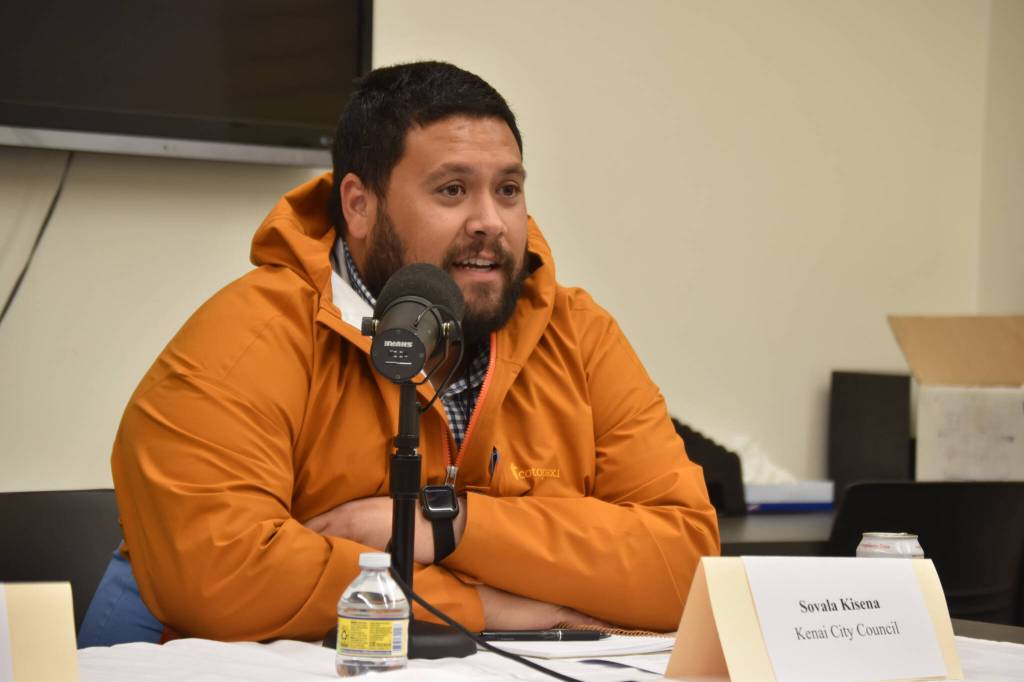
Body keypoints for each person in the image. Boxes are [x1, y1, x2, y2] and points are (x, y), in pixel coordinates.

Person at [78, 61, 719, 646]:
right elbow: (218, 577)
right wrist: (484, 606)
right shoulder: (248, 333)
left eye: (508, 190)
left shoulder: (578, 333)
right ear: (360, 205)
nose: (491, 222)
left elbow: (688, 564)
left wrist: (449, 527)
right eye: (451, 190)